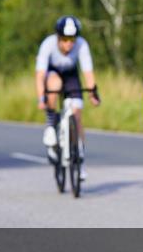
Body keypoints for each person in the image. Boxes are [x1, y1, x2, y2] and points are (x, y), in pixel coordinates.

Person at [35, 16, 100, 162]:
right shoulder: (48, 44)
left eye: (72, 39)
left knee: (76, 113)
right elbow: (40, 75)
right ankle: (51, 125)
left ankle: (79, 155)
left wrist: (92, 94)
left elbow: (87, 72)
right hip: (53, 73)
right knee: (55, 84)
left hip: (71, 75)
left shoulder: (82, 44)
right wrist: (41, 98)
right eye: (65, 39)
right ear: (58, 37)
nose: (69, 43)